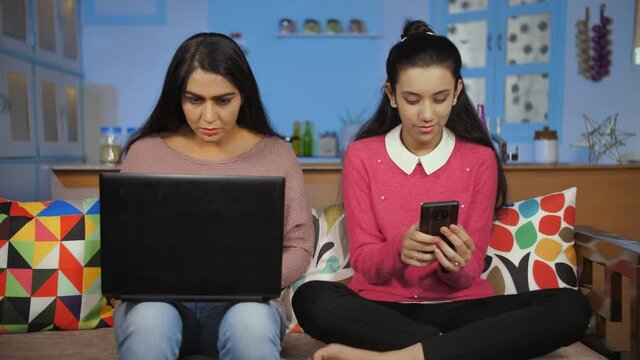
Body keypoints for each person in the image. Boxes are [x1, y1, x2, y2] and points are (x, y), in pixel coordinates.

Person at [292, 20, 590, 360]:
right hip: (380, 310)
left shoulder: (479, 159)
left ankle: (400, 357)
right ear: (391, 95)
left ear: (457, 93)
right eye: (412, 99)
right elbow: (364, 261)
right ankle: (462, 349)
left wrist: (457, 263)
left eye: (440, 98)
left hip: (460, 308)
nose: (426, 114)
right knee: (311, 298)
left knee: (570, 306)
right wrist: (398, 251)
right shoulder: (363, 155)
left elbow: (468, 274)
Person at [113, 32, 314, 360]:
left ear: (243, 95)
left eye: (223, 100)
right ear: (177, 96)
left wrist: (246, 280)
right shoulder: (144, 153)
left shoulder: (276, 154)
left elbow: (300, 246)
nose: (209, 117)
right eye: (195, 100)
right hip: (154, 307)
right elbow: (123, 248)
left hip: (246, 308)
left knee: (250, 323)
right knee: (150, 321)